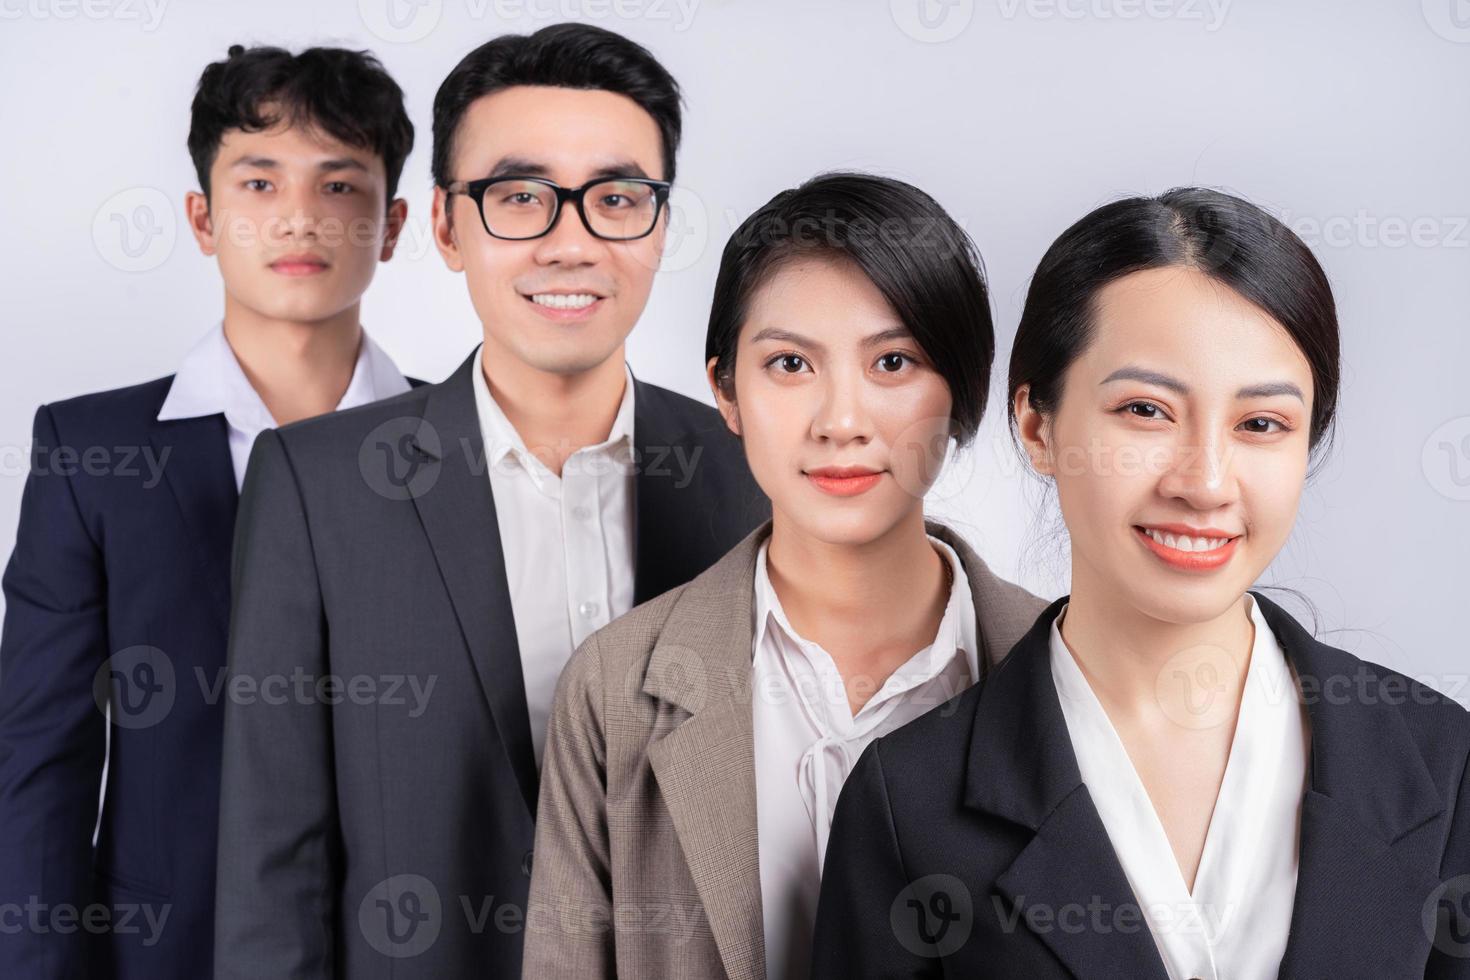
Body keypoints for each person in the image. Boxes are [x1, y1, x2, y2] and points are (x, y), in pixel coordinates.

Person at [212, 24, 767, 979]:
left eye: (617, 199)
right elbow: (273, 861)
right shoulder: (319, 484)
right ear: (446, 226)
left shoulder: (754, 468)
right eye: (519, 197)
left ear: (662, 226)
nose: (570, 242)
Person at [812, 188, 1470, 978]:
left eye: (1261, 424)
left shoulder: (1441, 761)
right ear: (1037, 426)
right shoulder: (907, 802)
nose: (1205, 482)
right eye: (1146, 411)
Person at [523, 171, 1046, 979]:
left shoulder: (1068, 671)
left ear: (963, 391)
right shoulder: (615, 687)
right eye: (792, 364)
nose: (841, 421)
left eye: (895, 361)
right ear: (725, 391)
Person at [0, 44, 419, 980]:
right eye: (260, 182)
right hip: (167, 950)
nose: (300, 217)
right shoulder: (91, 454)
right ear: (202, 218)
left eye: (340, 185)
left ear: (392, 226)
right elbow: (40, 759)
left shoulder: (460, 447)